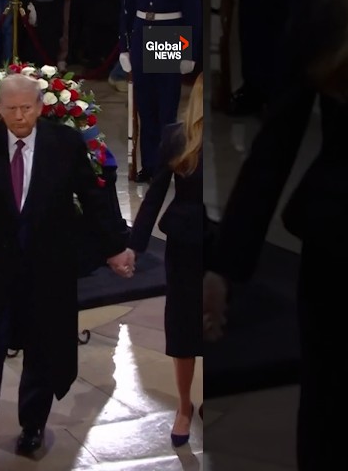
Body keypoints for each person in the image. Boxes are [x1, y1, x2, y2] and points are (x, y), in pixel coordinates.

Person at [203, 0, 348, 469]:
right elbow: (277, 140)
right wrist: (225, 265)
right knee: (335, 413)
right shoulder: (334, 6)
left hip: (344, 232)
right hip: (346, 246)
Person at [0, 73, 135, 470]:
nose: (20, 117)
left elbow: (93, 197)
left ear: (40, 106)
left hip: (46, 271)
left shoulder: (64, 143)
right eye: (11, 109)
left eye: (27, 108)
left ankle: (32, 425)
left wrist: (116, 248)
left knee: (41, 351)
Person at [128, 72, 204, 447]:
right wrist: (133, 245)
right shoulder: (177, 136)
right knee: (184, 325)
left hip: (224, 244)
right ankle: (184, 406)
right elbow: (156, 193)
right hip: (188, 245)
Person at [119, 0, 202, 182]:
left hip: (167, 32)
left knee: (166, 107)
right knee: (146, 108)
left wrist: (189, 52)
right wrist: (124, 46)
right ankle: (149, 165)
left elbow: (192, 11)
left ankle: (165, 166)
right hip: (141, 30)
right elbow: (126, 8)